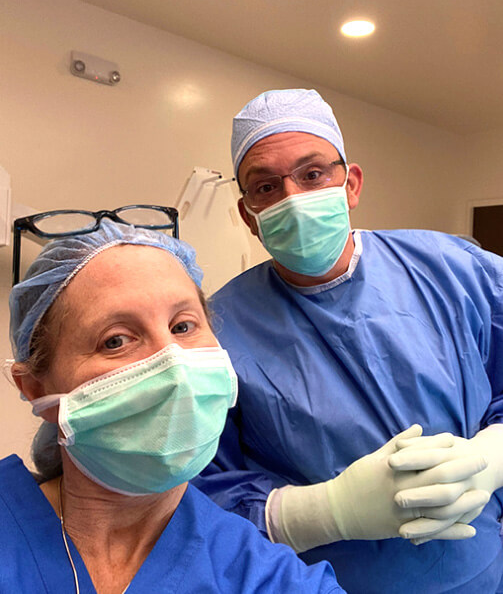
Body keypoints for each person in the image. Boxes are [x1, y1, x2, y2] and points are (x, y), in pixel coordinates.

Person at [193, 89, 503, 594]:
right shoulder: (215, 329)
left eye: (312, 174)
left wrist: (494, 456)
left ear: (350, 183)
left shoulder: (454, 270)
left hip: (482, 574)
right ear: (248, 215)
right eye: (266, 187)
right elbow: (192, 492)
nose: (292, 198)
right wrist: (322, 513)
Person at [2, 218, 344, 594]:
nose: (173, 364)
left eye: (183, 326)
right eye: (115, 340)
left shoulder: (265, 578)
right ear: (36, 388)